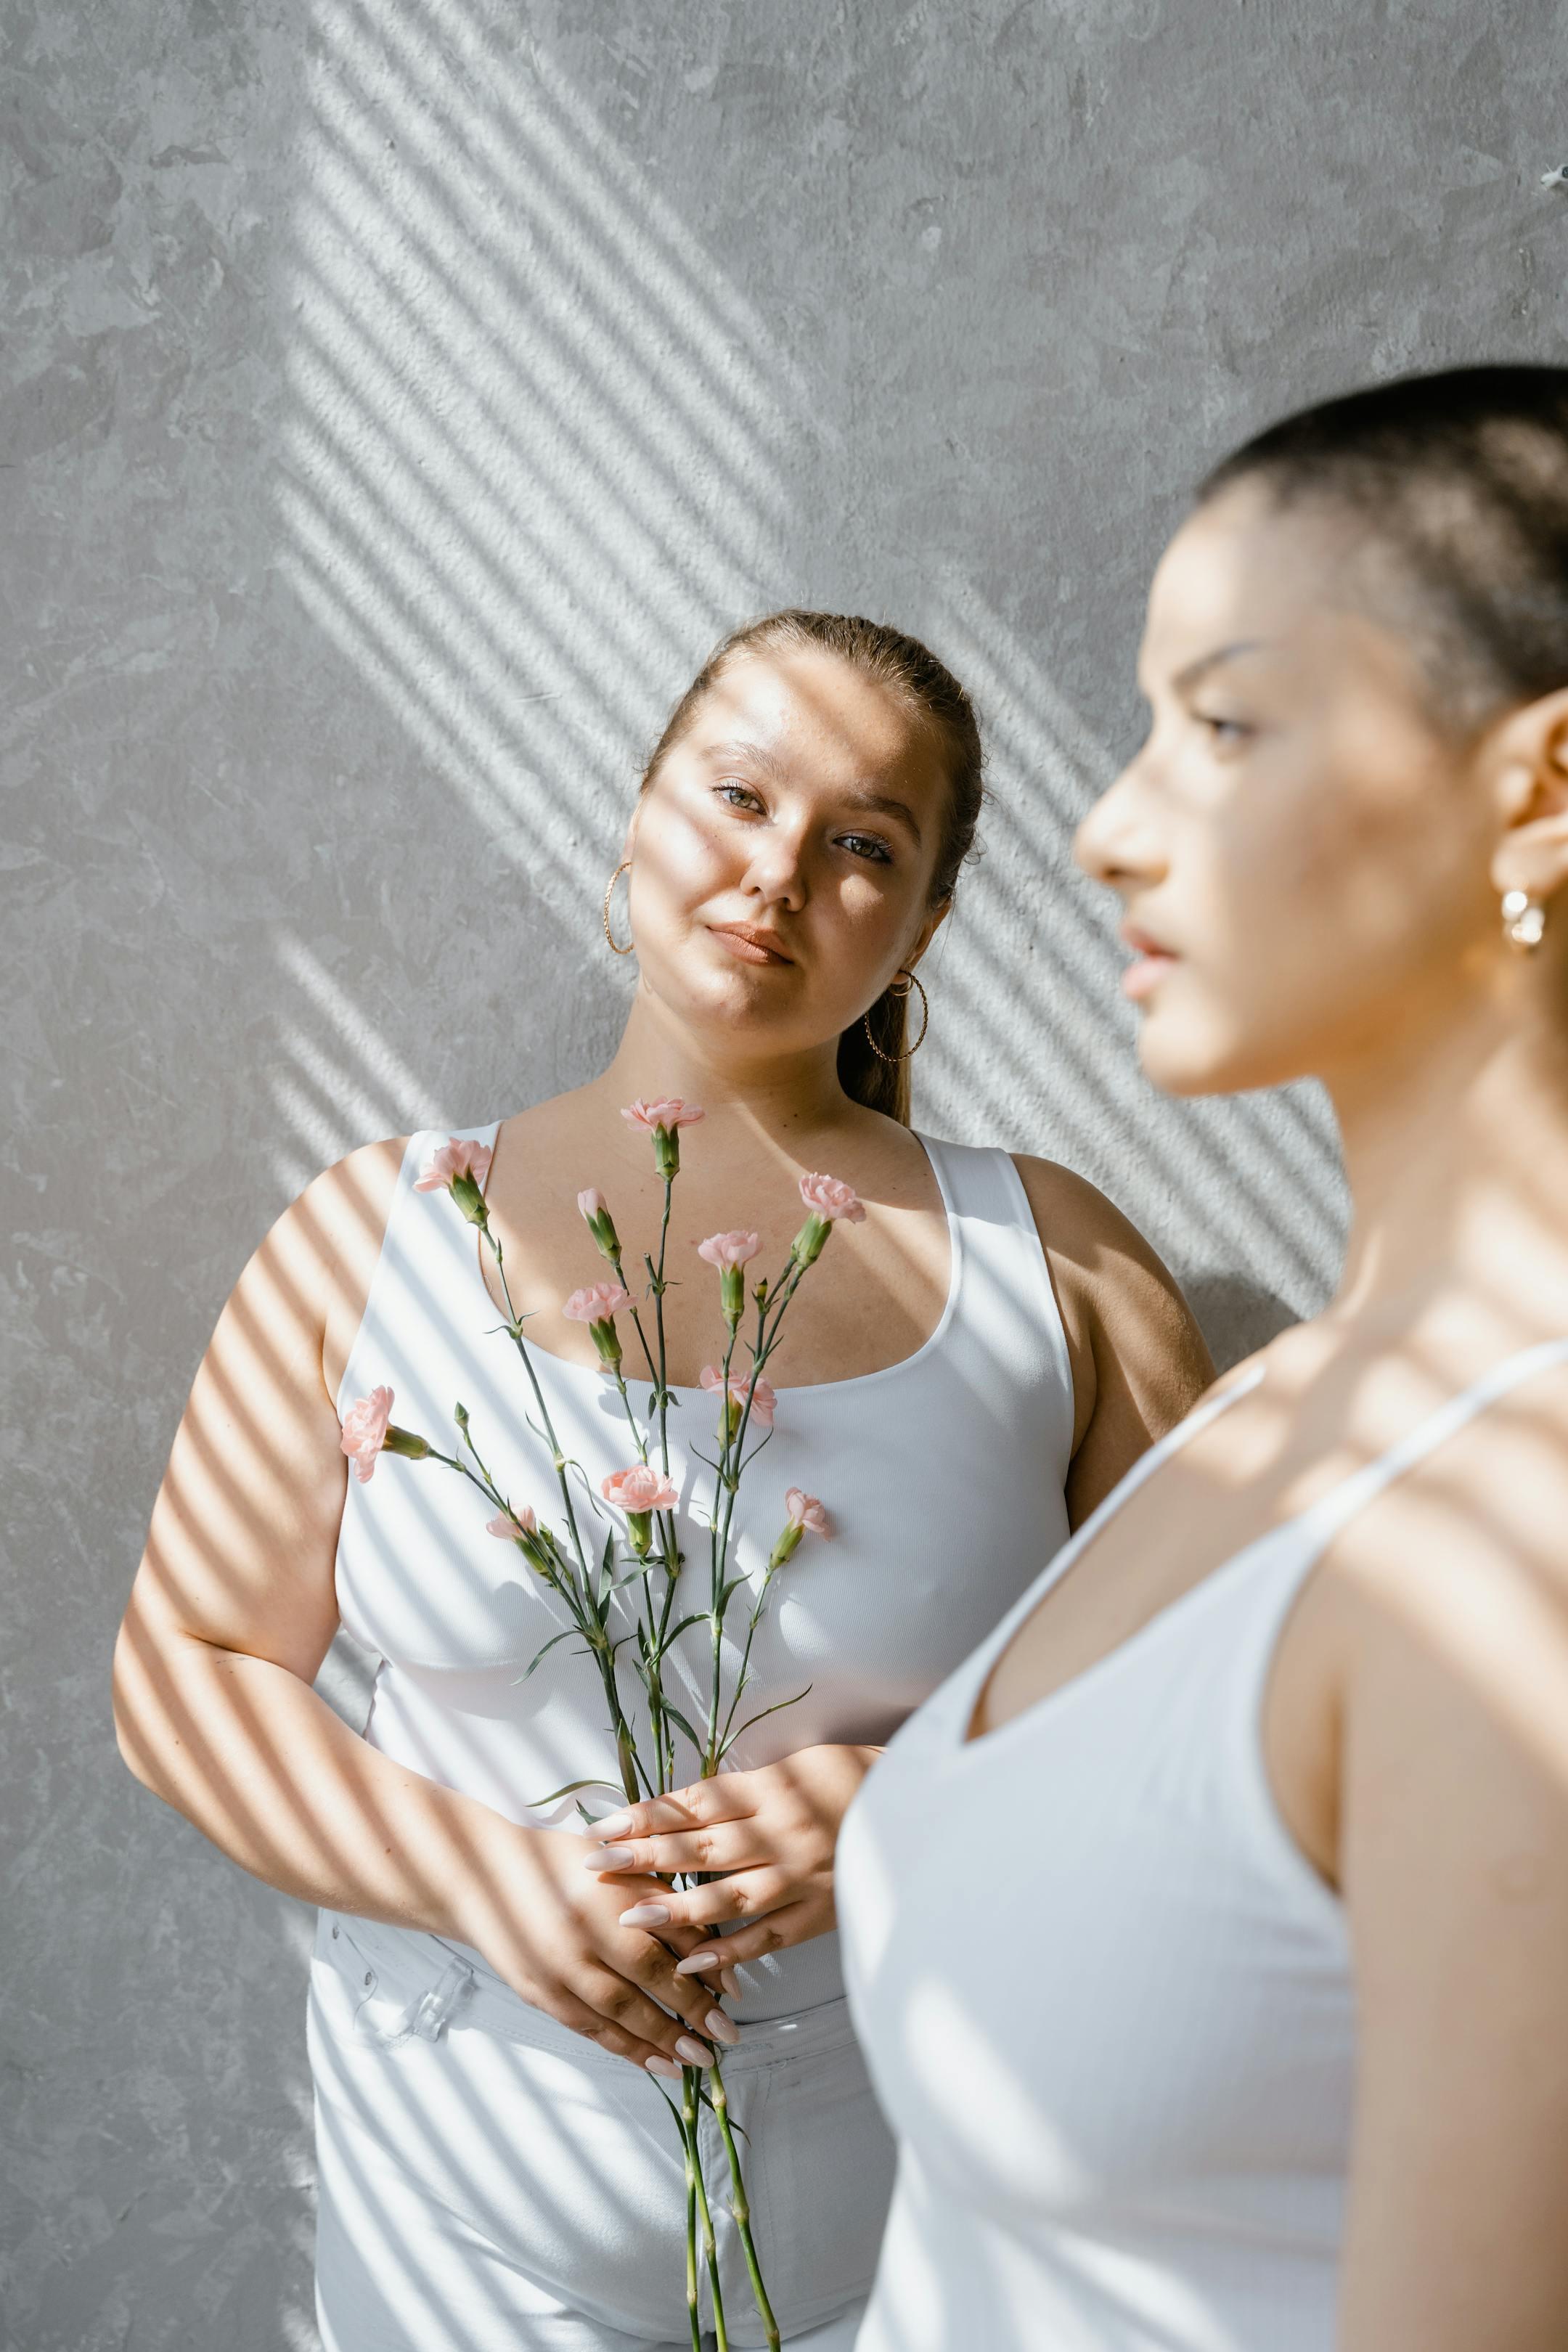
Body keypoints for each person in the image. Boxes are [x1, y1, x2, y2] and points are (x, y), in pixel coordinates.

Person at [112, 608, 1212, 2352]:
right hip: (450, 2245)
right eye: (737, 795)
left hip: (944, 2242)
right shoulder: (373, 1234)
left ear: (925, 925)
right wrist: (483, 1884)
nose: (777, 871)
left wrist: (923, 1807)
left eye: (864, 846)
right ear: (636, 815)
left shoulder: (1059, 1265)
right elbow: (188, 1673)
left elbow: (1235, 1728)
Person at [838, 368, 1568, 2352]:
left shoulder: (1522, 1550)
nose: (1101, 830)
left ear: (1540, 788)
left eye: (1226, 724)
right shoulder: (1277, 1399)